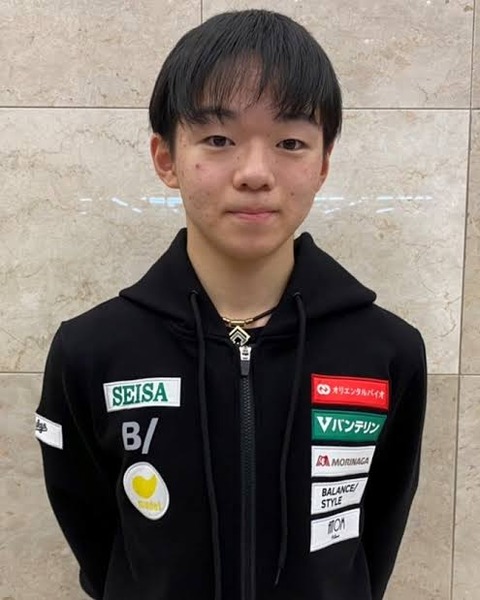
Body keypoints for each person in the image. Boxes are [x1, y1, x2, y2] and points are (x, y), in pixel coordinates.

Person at [35, 9, 427, 600]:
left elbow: (377, 534)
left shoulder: (387, 351)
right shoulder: (90, 351)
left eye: (291, 142)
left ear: (322, 164)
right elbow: (94, 534)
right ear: (166, 158)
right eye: (219, 140)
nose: (255, 173)